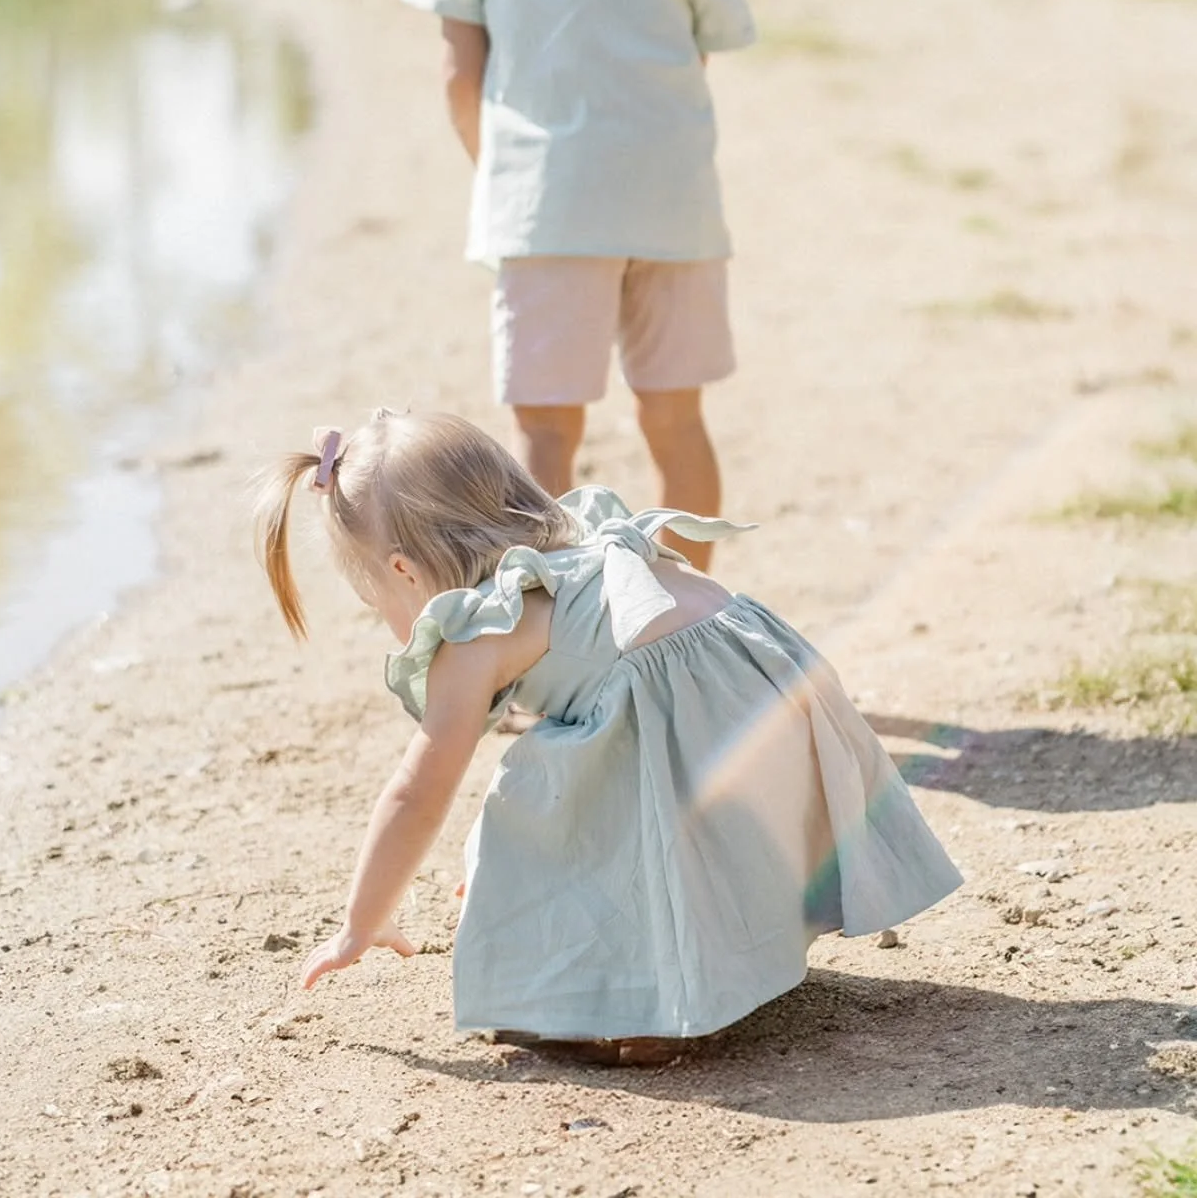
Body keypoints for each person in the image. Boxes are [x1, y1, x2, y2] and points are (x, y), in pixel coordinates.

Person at [253, 409, 962, 1058]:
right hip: (777, 694)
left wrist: (361, 922)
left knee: (542, 779)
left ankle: (649, 1010)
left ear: (405, 572)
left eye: (377, 600)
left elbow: (418, 792)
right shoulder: (590, 541)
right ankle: (740, 949)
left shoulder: (476, 631)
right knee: (578, 749)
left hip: (698, 729)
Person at [401, 0, 756, 569]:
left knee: (547, 438)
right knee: (677, 422)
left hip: (548, 205)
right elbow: (693, 64)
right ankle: (684, 630)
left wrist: (501, 175)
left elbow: (459, 74)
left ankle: (558, 643)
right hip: (672, 211)